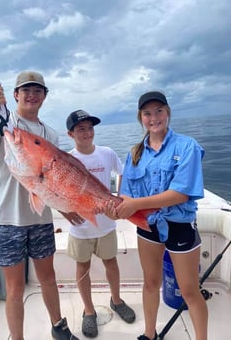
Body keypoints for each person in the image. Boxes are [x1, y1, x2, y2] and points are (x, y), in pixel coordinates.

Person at [0, 71, 79, 340]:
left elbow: (54, 183)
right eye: (25, 90)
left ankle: (59, 327)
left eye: (38, 90)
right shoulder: (1, 123)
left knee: (48, 278)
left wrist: (67, 208)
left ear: (44, 96)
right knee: (15, 288)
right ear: (15, 95)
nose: (32, 94)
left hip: (40, 220)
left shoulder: (50, 134)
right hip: (6, 220)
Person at [104, 91, 208, 340]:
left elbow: (181, 194)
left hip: (179, 226)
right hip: (147, 227)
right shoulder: (135, 154)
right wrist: (115, 209)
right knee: (150, 283)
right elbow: (126, 197)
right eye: (147, 113)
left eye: (159, 111)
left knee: (190, 291)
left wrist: (134, 204)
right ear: (140, 118)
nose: (154, 118)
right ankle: (149, 334)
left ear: (168, 112)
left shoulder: (187, 146)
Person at [63, 110, 136, 338]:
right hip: (80, 227)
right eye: (81, 129)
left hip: (106, 224)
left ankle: (116, 300)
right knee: (82, 268)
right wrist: (66, 212)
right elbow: (61, 191)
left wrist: (119, 198)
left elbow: (122, 172)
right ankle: (89, 311)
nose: (87, 133)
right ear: (71, 134)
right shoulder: (67, 159)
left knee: (111, 262)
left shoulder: (107, 153)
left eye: (90, 128)